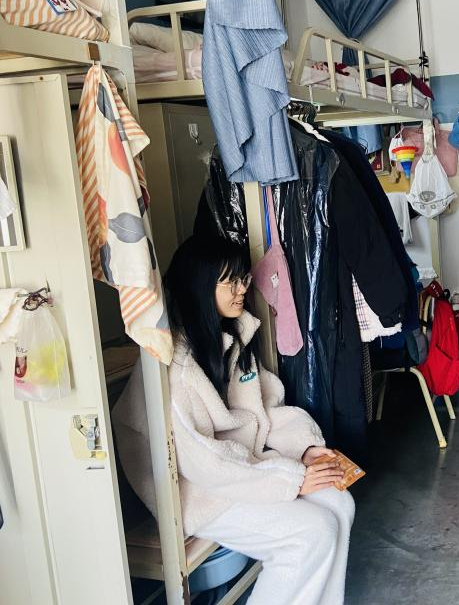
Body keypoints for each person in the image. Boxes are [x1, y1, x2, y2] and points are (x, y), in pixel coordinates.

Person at [114, 236, 355, 605]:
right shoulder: (176, 366)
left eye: (242, 278)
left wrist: (305, 449)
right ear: (199, 286)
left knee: (341, 504)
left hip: (241, 470)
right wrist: (292, 478)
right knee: (312, 533)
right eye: (230, 281)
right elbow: (204, 464)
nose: (242, 288)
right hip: (197, 493)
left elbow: (264, 408)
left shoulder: (229, 338)